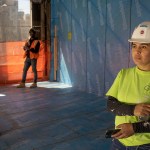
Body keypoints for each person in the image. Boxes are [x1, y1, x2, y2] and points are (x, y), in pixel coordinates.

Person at [106, 21, 150, 150]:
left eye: (144, 47)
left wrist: (134, 128)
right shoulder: (124, 74)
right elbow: (110, 104)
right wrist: (132, 110)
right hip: (120, 141)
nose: (137, 51)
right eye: (134, 46)